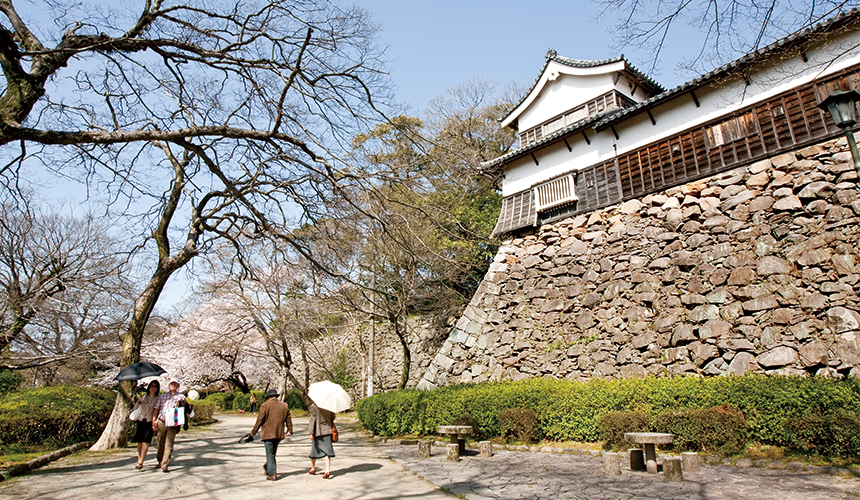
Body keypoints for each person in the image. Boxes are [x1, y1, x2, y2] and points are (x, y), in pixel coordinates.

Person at [247, 389, 293, 481]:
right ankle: (268, 467)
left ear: (269, 397)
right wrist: (290, 430)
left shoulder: (265, 405)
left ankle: (272, 474)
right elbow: (288, 418)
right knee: (272, 453)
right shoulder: (284, 405)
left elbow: (259, 420)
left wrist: (253, 433)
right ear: (277, 396)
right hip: (279, 433)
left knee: (270, 453)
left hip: (268, 433)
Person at [151, 377, 186, 473]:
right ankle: (160, 460)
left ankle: (165, 464)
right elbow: (156, 409)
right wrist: (154, 420)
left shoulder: (181, 397)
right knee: (160, 441)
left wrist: (180, 404)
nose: (173, 386)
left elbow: (185, 410)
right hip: (162, 421)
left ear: (178, 386)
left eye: (175, 384)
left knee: (169, 444)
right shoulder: (162, 396)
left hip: (173, 423)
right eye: (171, 384)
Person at [131, 380, 160, 470]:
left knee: (145, 441)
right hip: (140, 420)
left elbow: (158, 410)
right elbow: (135, 408)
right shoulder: (143, 397)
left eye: (155, 386)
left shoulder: (158, 398)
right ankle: (139, 459)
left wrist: (156, 422)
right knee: (139, 441)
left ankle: (141, 461)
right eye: (151, 386)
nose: (153, 388)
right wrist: (139, 401)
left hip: (150, 421)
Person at [307, 403, 336, 479]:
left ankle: (313, 468)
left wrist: (311, 433)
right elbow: (333, 417)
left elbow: (312, 420)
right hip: (327, 430)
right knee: (327, 451)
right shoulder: (330, 405)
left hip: (317, 431)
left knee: (314, 449)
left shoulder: (314, 406)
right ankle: (327, 470)